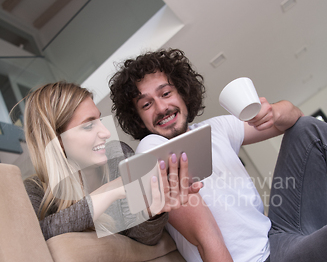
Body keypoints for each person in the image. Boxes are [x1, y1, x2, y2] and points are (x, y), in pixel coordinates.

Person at [109, 48, 327, 262]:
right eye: (146, 104)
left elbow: (294, 118)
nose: (160, 108)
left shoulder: (217, 128)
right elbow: (205, 239)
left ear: (182, 92)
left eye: (165, 93)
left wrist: (279, 111)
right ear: (139, 119)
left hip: (280, 236)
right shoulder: (153, 152)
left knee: (306, 131)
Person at [22, 81, 201, 243]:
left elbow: (145, 240)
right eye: (88, 125)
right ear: (58, 140)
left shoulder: (118, 155)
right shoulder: (35, 189)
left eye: (99, 120)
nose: (106, 133)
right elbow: (36, 236)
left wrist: (151, 212)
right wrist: (109, 191)